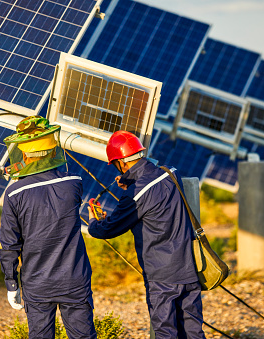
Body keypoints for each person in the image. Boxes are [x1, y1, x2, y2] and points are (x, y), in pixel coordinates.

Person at [87, 130, 205, 339]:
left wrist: (94, 222)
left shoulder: (136, 194)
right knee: (193, 331)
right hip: (188, 267)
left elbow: (109, 228)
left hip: (161, 276)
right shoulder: (171, 172)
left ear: (122, 163)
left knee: (166, 332)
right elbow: (151, 183)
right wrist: (130, 183)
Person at [0, 116, 96, 339]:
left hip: (37, 283)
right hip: (74, 278)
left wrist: (11, 283)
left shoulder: (13, 194)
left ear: (22, 152)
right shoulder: (74, 182)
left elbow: (10, 246)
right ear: (53, 149)